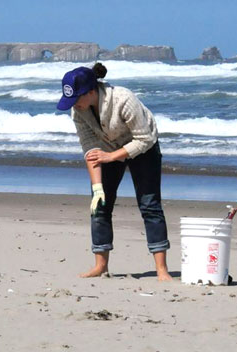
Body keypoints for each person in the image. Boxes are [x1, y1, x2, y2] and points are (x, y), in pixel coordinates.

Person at [57, 63, 172, 281]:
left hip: (142, 148)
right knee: (99, 205)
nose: (74, 105)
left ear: (91, 92)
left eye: (76, 99)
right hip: (106, 150)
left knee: (150, 205)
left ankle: (161, 269)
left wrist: (112, 156)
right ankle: (101, 265)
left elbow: (144, 139)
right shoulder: (78, 111)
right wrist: (97, 187)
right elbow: (90, 148)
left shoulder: (123, 99)